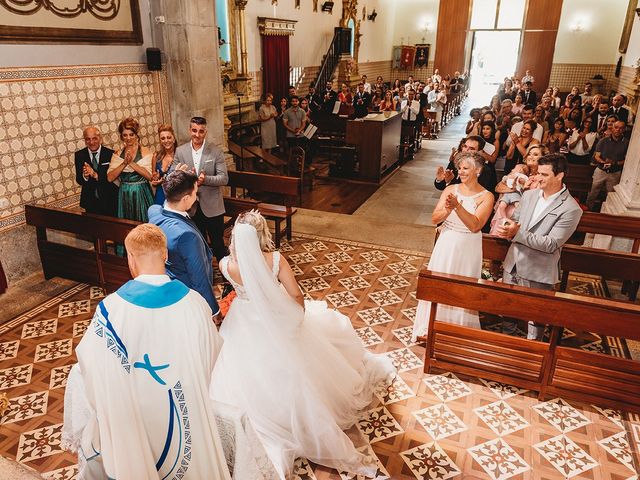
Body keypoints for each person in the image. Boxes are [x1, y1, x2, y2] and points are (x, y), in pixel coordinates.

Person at [210, 211, 395, 479]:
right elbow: (296, 293)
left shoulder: (227, 264)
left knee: (246, 368)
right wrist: (296, 316)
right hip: (275, 316)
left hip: (242, 321)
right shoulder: (275, 259)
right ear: (262, 233)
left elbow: (242, 286)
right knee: (294, 367)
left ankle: (260, 420)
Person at [62, 223, 230, 479]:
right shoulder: (195, 302)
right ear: (165, 255)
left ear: (130, 258)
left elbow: (93, 368)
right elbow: (212, 356)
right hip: (186, 410)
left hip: (134, 418)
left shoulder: (110, 311)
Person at [497, 153, 583, 340]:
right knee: (508, 310)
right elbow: (517, 220)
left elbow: (551, 243)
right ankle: (506, 344)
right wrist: (506, 226)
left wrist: (516, 233)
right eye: (538, 173)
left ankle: (533, 355)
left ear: (560, 176)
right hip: (513, 263)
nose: (538, 178)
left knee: (535, 320)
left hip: (538, 269)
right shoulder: (529, 195)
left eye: (545, 174)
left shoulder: (570, 209)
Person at [412, 152, 495, 341]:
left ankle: (457, 331)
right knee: (439, 282)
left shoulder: (486, 196)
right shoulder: (451, 190)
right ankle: (430, 327)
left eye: (466, 168)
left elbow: (475, 225)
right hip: (447, 242)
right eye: (460, 168)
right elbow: (434, 218)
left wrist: (458, 207)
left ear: (478, 170)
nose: (461, 171)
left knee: (462, 287)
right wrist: (448, 209)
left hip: (468, 246)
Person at [148, 169, 221, 318]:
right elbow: (199, 279)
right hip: (188, 295)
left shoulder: (154, 212)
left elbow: (163, 203)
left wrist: (175, 179)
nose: (196, 196)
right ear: (186, 199)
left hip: (171, 284)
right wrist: (214, 311)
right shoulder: (187, 236)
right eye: (195, 192)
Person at [173, 116, 229, 263]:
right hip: (190, 207)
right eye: (194, 130)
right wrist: (183, 175)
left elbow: (224, 178)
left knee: (218, 245)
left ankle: (228, 281)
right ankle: (205, 277)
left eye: (201, 131)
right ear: (189, 130)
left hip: (212, 207)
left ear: (206, 132)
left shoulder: (215, 151)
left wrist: (206, 180)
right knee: (198, 246)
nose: (197, 135)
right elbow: (172, 176)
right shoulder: (180, 151)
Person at [107, 117, 154, 222]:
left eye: (131, 134)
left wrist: (131, 163)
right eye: (125, 135)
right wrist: (124, 163)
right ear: (121, 136)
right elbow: (110, 178)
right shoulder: (118, 153)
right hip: (124, 194)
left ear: (136, 135)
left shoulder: (145, 152)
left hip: (141, 193)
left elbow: (150, 176)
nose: (128, 138)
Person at [74, 126, 118, 216]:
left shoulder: (111, 154)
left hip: (110, 200)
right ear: (85, 140)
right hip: (90, 203)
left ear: (100, 139)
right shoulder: (79, 155)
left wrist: (95, 175)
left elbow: (114, 178)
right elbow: (79, 180)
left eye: (94, 138)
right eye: (88, 139)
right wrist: (85, 176)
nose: (91, 142)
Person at [586, 120, 629, 211]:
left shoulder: (626, 142)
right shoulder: (603, 140)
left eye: (621, 128)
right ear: (612, 128)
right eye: (616, 127)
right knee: (593, 192)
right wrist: (602, 161)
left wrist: (615, 163)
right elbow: (597, 155)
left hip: (615, 172)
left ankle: (606, 212)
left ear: (624, 129)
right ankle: (587, 210)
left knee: (610, 195)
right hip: (601, 170)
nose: (618, 130)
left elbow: (627, 160)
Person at [150, 124, 177, 205]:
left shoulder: (180, 155)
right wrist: (155, 179)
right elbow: (154, 178)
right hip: (160, 195)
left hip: (175, 196)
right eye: (163, 138)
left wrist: (165, 180)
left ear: (174, 139)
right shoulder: (156, 156)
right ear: (160, 141)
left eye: (169, 137)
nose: (166, 141)